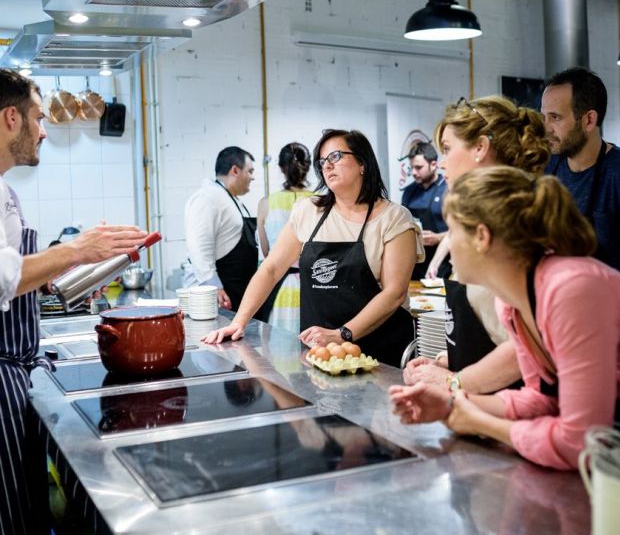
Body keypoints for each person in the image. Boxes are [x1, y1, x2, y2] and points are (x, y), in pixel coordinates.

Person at [390, 166, 620, 470]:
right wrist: (451, 403)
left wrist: (482, 424)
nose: (448, 245)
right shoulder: (512, 304)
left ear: (482, 237)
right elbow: (542, 399)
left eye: (453, 231)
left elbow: (582, 443)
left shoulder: (571, 289)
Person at [0, 69, 148, 535]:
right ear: (10, 118)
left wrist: (55, 274)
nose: (44, 131)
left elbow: (14, 275)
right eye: (38, 119)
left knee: (23, 505)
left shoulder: (5, 191)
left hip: (13, 370)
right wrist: (75, 249)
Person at [203, 129, 424, 368]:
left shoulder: (394, 218)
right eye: (322, 161)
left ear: (363, 162)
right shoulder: (308, 211)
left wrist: (343, 334)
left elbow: (394, 293)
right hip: (322, 356)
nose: (327, 166)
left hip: (380, 353)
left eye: (336, 156)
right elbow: (272, 268)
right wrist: (239, 321)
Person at [405, 96, 550, 393]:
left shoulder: (517, 222)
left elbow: (523, 348)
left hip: (517, 402)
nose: (442, 162)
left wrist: (455, 382)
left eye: (447, 149)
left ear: (481, 148)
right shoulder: (476, 216)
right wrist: (452, 359)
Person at [541, 67, 620, 271]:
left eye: (555, 117)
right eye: (544, 117)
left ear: (589, 120)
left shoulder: (616, 173)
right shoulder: (546, 168)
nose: (546, 128)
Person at [184, 146, 267, 319]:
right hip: (222, 295)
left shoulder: (232, 200)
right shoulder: (208, 197)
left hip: (238, 290)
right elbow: (198, 246)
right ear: (235, 170)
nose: (252, 177)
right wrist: (214, 286)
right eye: (250, 171)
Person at [257, 142, 313, 330]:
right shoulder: (321, 201)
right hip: (314, 286)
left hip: (278, 285)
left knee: (278, 349)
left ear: (281, 168)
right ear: (309, 166)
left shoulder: (266, 203)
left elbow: (265, 251)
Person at [400, 142, 449, 279]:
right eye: (412, 168)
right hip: (416, 265)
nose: (414, 173)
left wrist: (437, 238)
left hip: (443, 264)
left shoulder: (447, 189)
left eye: (419, 167)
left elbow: (461, 232)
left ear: (433, 165)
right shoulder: (409, 192)